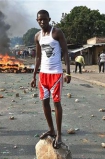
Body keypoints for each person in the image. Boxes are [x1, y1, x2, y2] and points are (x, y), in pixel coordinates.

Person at [31, 10, 71, 149]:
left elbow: (65, 52)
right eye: (40, 20)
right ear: (37, 21)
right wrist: (34, 75)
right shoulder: (37, 36)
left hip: (56, 74)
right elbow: (38, 57)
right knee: (44, 103)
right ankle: (51, 129)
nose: (42, 22)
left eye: (45, 19)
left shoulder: (57, 33)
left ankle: (59, 134)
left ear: (49, 19)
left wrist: (68, 73)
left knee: (57, 103)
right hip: (43, 74)